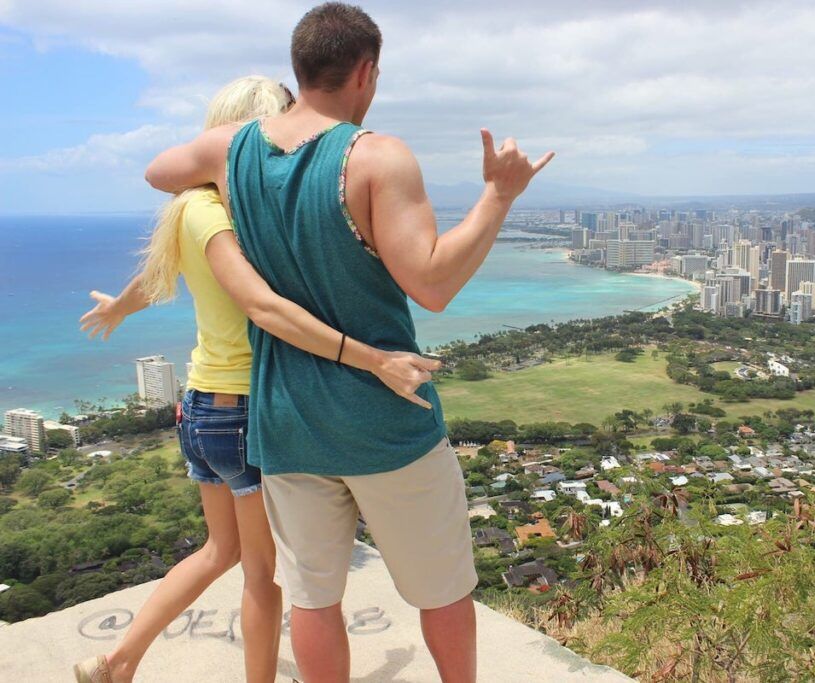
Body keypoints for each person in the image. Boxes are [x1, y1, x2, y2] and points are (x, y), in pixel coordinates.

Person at [144, 4, 554, 681]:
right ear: (366, 72)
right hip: (383, 422)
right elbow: (432, 282)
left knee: (312, 597)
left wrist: (230, 176)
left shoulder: (232, 149)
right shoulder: (375, 158)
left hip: (285, 423)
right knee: (442, 590)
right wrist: (497, 197)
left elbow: (160, 171)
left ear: (298, 70)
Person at [73, 75, 440, 683]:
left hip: (200, 408)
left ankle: (118, 659)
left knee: (223, 551)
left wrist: (119, 306)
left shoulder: (191, 210)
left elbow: (163, 274)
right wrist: (371, 356)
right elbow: (263, 306)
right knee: (261, 576)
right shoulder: (219, 214)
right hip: (244, 410)